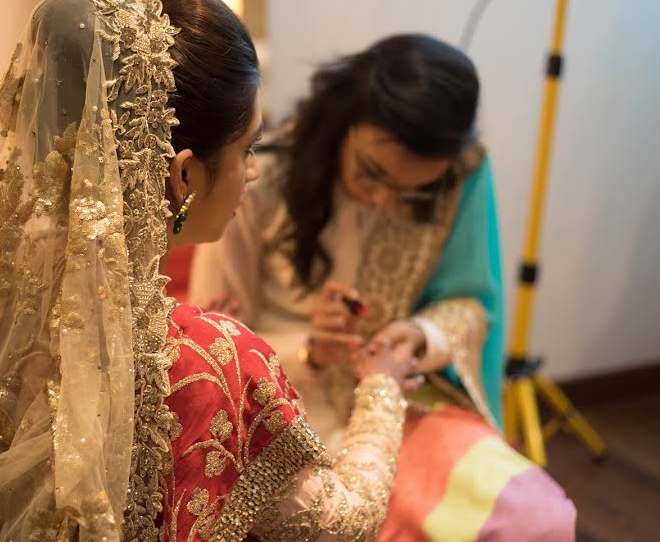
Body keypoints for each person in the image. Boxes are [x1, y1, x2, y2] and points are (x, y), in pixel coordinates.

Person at [0, 0, 414, 541]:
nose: (250, 173)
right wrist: (380, 389)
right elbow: (342, 523)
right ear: (182, 176)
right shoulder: (213, 360)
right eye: (247, 148)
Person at [189, 35, 577, 540]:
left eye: (407, 193)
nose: (379, 201)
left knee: (536, 518)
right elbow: (211, 348)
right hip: (283, 412)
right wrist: (311, 350)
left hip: (401, 396)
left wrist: (417, 335)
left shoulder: (456, 178)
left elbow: (471, 306)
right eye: (370, 174)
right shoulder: (258, 177)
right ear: (343, 122)